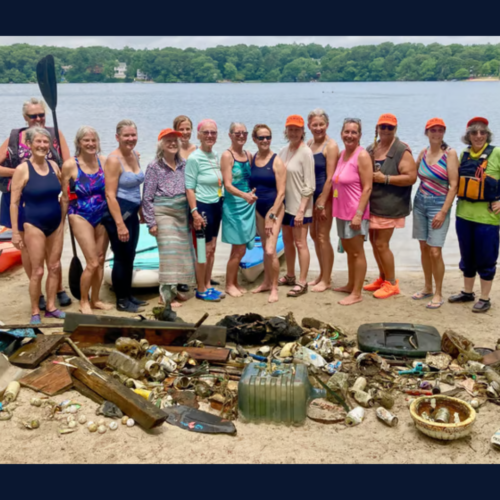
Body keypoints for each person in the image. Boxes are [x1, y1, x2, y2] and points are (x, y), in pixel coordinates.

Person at [0, 97, 71, 309]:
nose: (38, 118)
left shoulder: (55, 134)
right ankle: (37, 292)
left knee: (53, 247)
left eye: (41, 114)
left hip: (48, 198)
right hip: (18, 199)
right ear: (25, 117)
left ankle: (58, 288)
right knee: (27, 250)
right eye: (33, 116)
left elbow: (67, 164)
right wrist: (23, 173)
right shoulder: (15, 137)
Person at [9, 127, 65, 324]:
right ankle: (35, 311)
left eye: (46, 142)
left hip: (56, 223)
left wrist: (64, 220)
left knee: (55, 267)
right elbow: (14, 203)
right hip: (33, 224)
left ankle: (51, 307)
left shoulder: (53, 165)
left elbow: (62, 194)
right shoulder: (23, 169)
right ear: (31, 145)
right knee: (38, 270)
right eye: (38, 142)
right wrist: (15, 233)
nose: (42, 145)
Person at [142, 128, 196, 319]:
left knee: (180, 253)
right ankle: (165, 297)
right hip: (163, 212)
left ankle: (173, 291)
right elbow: (147, 198)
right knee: (168, 253)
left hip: (181, 213)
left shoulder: (184, 164)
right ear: (161, 144)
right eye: (168, 141)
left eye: (175, 140)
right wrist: (151, 223)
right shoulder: (154, 167)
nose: (173, 143)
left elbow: (190, 189)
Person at [448, 117, 500, 313]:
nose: (478, 136)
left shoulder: (496, 153)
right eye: (474, 132)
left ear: (487, 135)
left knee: (486, 257)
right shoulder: (464, 154)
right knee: (467, 256)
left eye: (482, 132)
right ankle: (467, 292)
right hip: (464, 215)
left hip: (487, 218)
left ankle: (485, 298)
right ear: (468, 135)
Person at [364, 113, 417, 299]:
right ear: (377, 128)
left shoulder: (402, 150)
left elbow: (411, 177)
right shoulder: (372, 148)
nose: (386, 130)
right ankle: (382, 277)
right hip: (373, 204)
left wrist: (385, 178)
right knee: (373, 242)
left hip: (390, 205)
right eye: (383, 127)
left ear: (395, 129)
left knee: (381, 243)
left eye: (390, 127)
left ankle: (392, 283)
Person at [60, 126, 112, 314]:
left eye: (93, 140)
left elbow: (114, 185)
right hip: (79, 213)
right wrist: (62, 223)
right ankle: (84, 301)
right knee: (92, 262)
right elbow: (65, 197)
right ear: (79, 143)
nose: (90, 144)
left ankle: (96, 299)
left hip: (101, 213)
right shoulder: (69, 165)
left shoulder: (104, 161)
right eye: (86, 140)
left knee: (100, 258)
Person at [412, 118, 459, 309]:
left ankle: (438, 292)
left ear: (444, 133)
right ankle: (427, 287)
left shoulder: (450, 154)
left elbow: (454, 186)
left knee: (435, 250)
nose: (436, 133)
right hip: (420, 202)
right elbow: (411, 174)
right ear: (426, 132)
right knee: (423, 247)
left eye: (440, 130)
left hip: (439, 204)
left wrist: (443, 212)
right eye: (433, 130)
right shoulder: (423, 152)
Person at [102, 119, 146, 313]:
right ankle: (121, 300)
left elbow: (136, 185)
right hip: (118, 214)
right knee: (120, 257)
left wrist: (141, 209)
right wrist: (120, 224)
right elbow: (110, 194)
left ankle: (128, 295)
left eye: (133, 135)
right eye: (126, 135)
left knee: (130, 255)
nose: (130, 138)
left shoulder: (135, 155)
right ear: (117, 137)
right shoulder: (114, 160)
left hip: (132, 213)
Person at [332, 119, 373, 305]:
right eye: (346, 131)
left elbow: (367, 188)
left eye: (354, 132)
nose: (349, 135)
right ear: (341, 133)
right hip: (341, 211)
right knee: (349, 250)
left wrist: (358, 214)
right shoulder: (342, 154)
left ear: (359, 136)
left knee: (357, 252)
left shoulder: (362, 155)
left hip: (355, 212)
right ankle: (350, 284)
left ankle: (357, 293)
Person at [185, 119, 225, 302]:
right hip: (202, 206)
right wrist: (194, 212)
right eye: (206, 132)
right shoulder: (194, 157)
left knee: (212, 248)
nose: (210, 136)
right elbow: (189, 188)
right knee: (203, 249)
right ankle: (200, 288)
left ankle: (208, 284)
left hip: (216, 204)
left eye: (213, 133)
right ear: (199, 135)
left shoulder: (215, 155)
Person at [278, 115, 315, 297]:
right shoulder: (284, 150)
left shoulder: (306, 152)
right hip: (285, 206)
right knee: (287, 242)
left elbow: (310, 185)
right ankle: (290, 275)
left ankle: (302, 281)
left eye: (297, 129)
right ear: (286, 131)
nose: (293, 133)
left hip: (301, 206)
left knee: (301, 243)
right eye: (290, 129)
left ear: (302, 131)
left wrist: (301, 211)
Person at [250, 124, 286, 303]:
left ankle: (274, 288)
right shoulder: (253, 158)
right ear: (254, 139)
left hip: (275, 209)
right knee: (265, 248)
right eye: (261, 138)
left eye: (268, 137)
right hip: (258, 209)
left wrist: (272, 214)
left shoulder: (277, 160)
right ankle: (265, 282)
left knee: (271, 250)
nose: (265, 141)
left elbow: (282, 192)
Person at [220, 122, 257, 297]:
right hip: (233, 206)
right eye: (237, 133)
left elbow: (251, 179)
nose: (241, 136)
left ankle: (234, 281)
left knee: (242, 247)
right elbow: (227, 185)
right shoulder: (227, 156)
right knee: (238, 247)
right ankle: (229, 284)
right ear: (230, 135)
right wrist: (245, 195)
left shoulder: (248, 155)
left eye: (244, 133)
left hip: (248, 205)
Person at [306, 109, 339, 292]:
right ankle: (321, 273)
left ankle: (327, 279)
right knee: (313, 235)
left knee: (323, 236)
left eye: (321, 124)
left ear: (327, 125)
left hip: (324, 197)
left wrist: (322, 201)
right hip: (310, 196)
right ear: (309, 126)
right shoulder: (309, 143)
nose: (318, 128)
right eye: (314, 124)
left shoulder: (331, 146)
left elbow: (330, 177)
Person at [173, 114, 197, 292]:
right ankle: (180, 277)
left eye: (187, 128)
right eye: (181, 129)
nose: (185, 132)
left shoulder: (196, 149)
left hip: (195, 197)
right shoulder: (172, 149)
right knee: (180, 239)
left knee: (198, 238)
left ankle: (201, 273)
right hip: (178, 199)